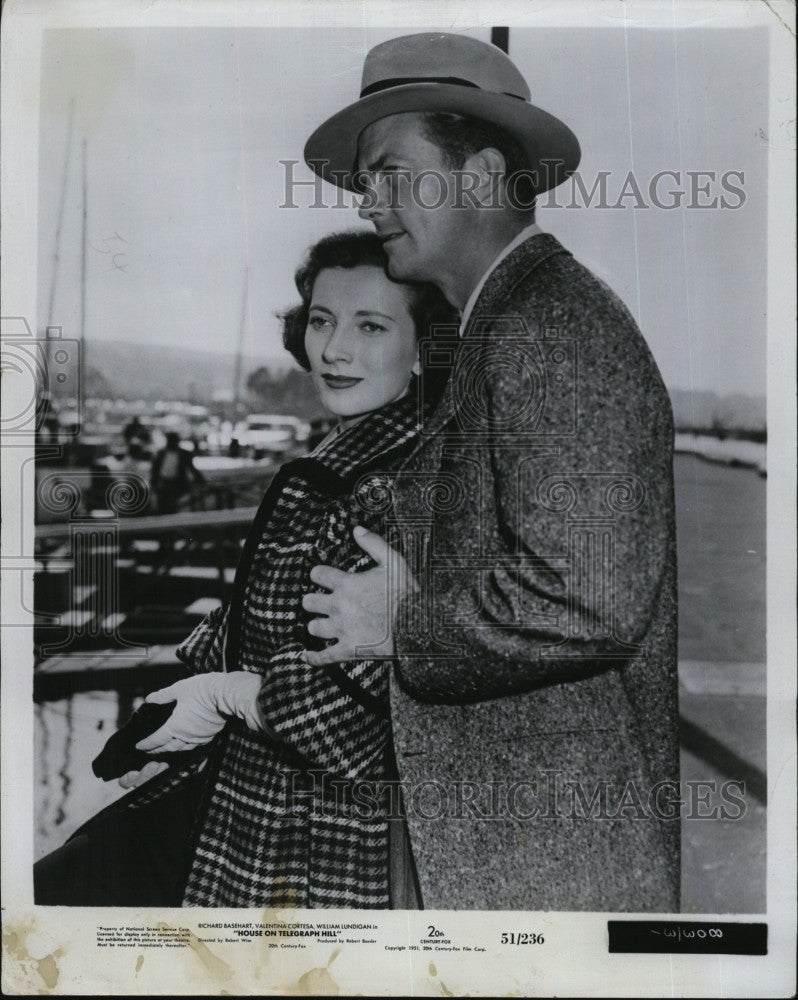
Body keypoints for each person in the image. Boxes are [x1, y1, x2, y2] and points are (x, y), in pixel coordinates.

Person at [299, 32, 680, 910]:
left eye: (392, 172)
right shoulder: (504, 322)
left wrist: (405, 624)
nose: (370, 202)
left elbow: (586, 596)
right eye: (366, 181)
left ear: (477, 175)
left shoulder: (550, 327)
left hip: (550, 859)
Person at [33, 231, 456, 908]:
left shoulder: (390, 487)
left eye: (371, 326)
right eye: (322, 320)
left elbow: (354, 719)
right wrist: (183, 705)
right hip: (243, 795)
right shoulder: (343, 456)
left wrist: (224, 696)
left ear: (424, 349)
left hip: (309, 838)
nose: (336, 349)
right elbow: (258, 622)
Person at [150, 431, 205, 514]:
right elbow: (155, 470)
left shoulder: (184, 454)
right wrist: (153, 483)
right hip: (163, 484)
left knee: (175, 507)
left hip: (178, 484)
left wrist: (201, 481)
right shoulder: (161, 453)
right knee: (161, 507)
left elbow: (191, 468)